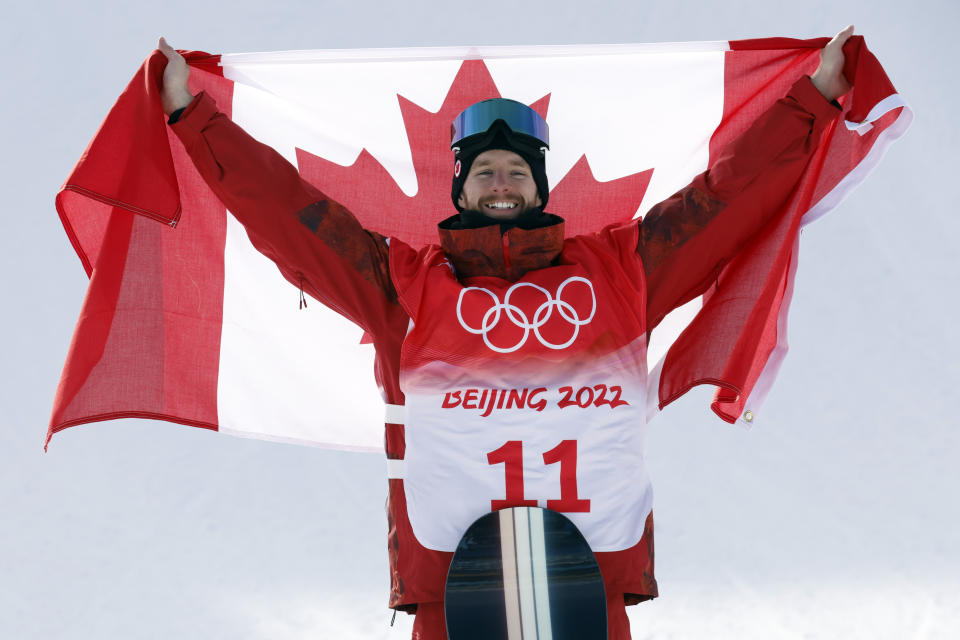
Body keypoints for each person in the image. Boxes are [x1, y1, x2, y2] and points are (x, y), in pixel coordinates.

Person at [158, 27, 854, 640]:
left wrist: (813, 99)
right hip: (456, 604)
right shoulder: (404, 287)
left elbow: (723, 200)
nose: (501, 183)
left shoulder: (620, 272)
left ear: (540, 186)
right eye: (485, 171)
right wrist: (194, 118)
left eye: (518, 171)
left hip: (586, 594)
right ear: (459, 188)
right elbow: (291, 214)